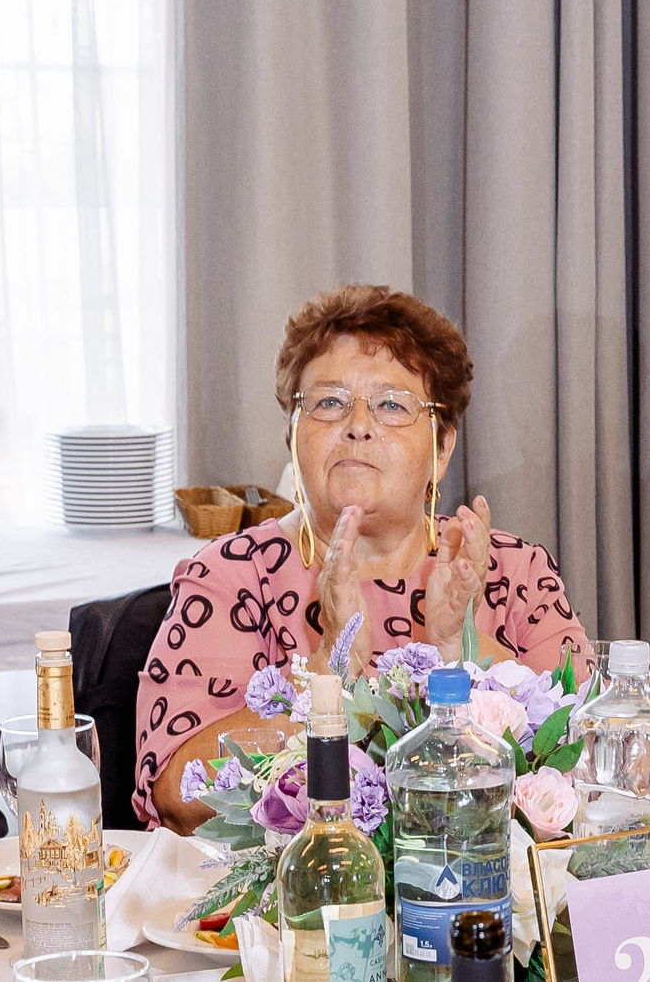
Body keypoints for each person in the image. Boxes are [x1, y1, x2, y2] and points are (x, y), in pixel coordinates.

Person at [137, 285, 592, 830]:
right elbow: (177, 792)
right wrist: (326, 674)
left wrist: (463, 650)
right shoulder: (231, 576)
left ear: (442, 447)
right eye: (328, 402)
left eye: (392, 405)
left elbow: (599, 762)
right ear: (292, 437)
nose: (357, 424)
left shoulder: (514, 572)